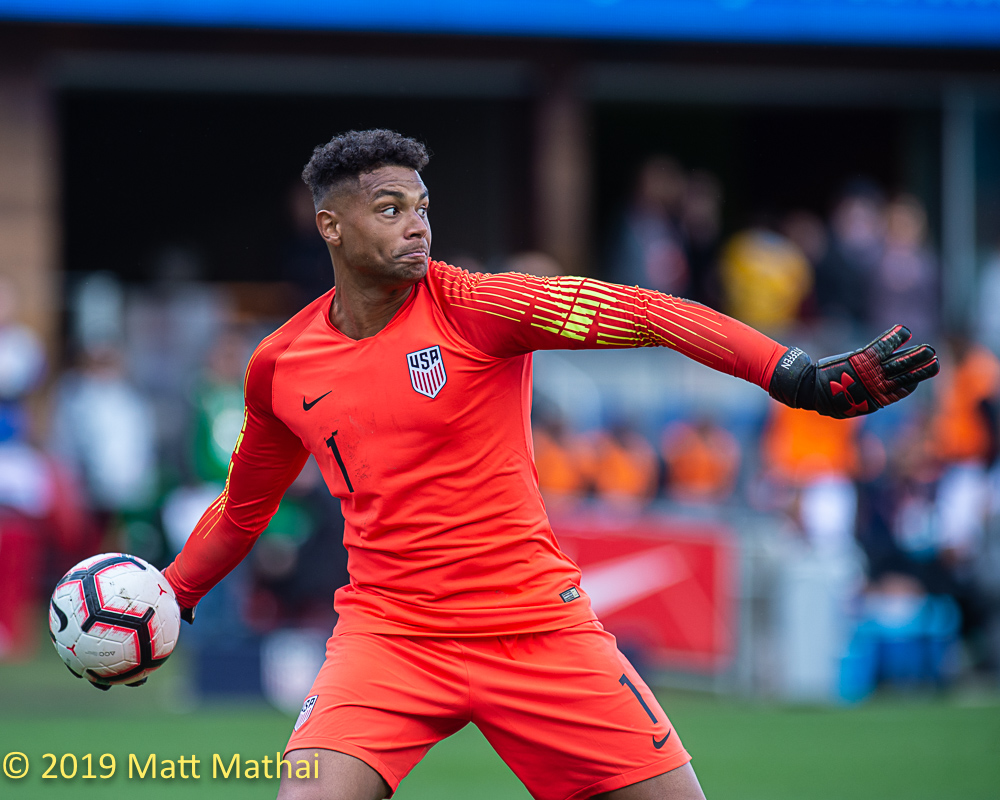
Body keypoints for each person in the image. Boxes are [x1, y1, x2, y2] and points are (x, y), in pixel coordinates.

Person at [155, 130, 938, 800]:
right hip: (388, 638)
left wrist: (793, 375)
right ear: (330, 226)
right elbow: (242, 507)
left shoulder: (478, 306)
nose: (417, 225)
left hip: (536, 628)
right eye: (390, 209)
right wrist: (168, 598)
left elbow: (649, 312)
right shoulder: (280, 364)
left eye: (422, 207)